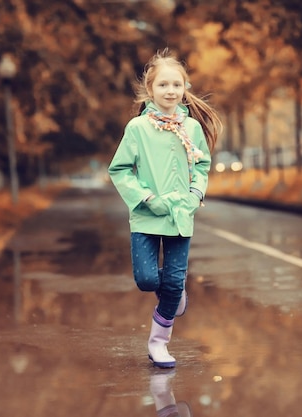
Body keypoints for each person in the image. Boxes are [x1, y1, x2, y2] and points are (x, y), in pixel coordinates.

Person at [108, 48, 222, 368]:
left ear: (184, 88)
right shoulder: (138, 128)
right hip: (146, 216)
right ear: (150, 89)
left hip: (180, 215)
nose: (170, 91)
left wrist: (194, 193)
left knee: (172, 283)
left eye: (177, 85)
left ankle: (158, 342)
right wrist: (145, 198)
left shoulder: (192, 129)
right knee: (146, 279)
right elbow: (119, 169)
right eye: (163, 85)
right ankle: (172, 290)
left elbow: (202, 165)